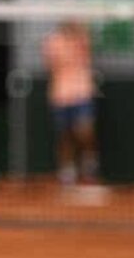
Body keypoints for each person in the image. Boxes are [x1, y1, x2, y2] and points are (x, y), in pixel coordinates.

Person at [42, 20, 100, 188]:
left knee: (85, 132)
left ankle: (89, 168)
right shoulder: (53, 41)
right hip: (60, 96)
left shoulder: (83, 38)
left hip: (82, 94)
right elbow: (50, 65)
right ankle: (67, 172)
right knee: (64, 135)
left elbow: (87, 46)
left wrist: (78, 32)